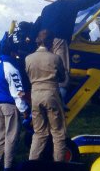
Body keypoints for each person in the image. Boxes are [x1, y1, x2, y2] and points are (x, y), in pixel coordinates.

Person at [32, 0, 100, 101]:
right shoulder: (70, 4)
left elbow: (38, 23)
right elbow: (87, 1)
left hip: (43, 40)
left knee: (46, 67)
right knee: (62, 68)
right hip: (59, 39)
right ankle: (61, 96)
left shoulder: (47, 9)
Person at [25, 29, 68, 162]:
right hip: (51, 95)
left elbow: (29, 76)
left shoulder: (28, 58)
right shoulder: (55, 58)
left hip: (35, 96)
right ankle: (58, 167)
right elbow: (62, 78)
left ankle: (33, 164)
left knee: (39, 133)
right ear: (51, 42)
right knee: (58, 133)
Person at [0, 44, 29, 171]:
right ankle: (8, 165)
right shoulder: (11, 68)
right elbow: (17, 92)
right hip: (10, 106)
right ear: (12, 53)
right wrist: (24, 110)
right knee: (11, 136)